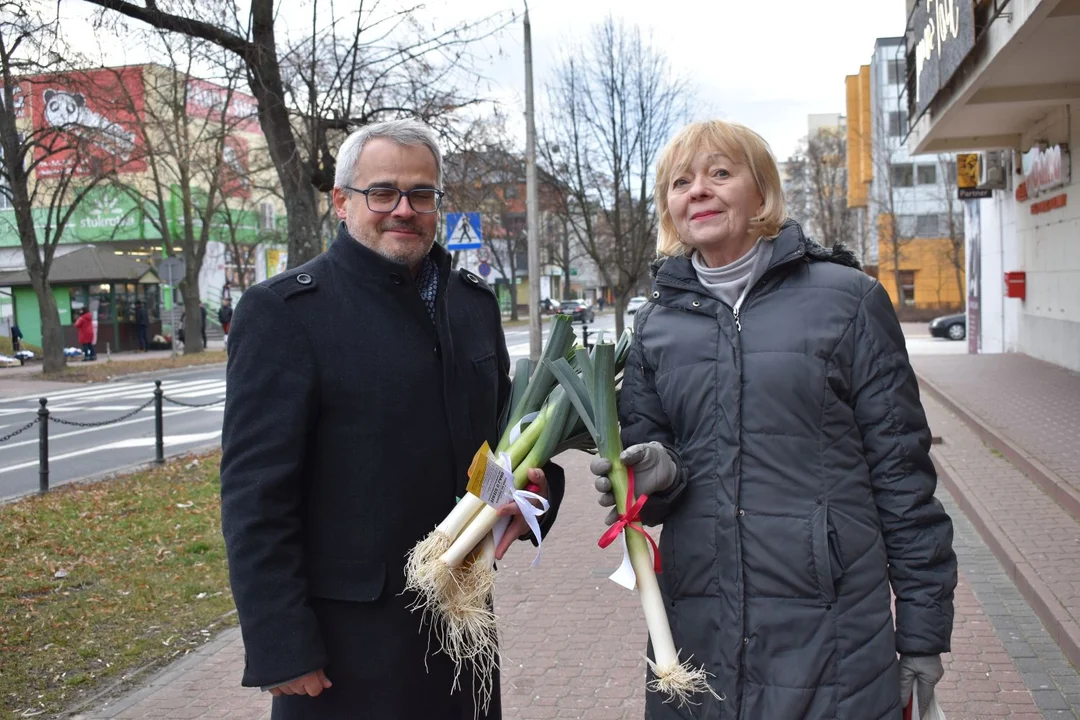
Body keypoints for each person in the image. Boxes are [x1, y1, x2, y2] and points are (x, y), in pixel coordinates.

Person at [589, 120, 957, 720]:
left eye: (720, 173)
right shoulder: (656, 325)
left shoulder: (849, 300)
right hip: (698, 630)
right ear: (669, 208)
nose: (698, 191)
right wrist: (655, 473)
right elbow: (650, 490)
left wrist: (922, 629)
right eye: (681, 182)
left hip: (832, 635)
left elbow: (903, 477)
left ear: (761, 193)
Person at [219, 118, 565, 720]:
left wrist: (531, 495)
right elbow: (255, 496)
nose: (403, 209)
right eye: (383, 192)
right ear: (342, 202)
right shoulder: (286, 313)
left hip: (461, 629)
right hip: (347, 647)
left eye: (422, 194)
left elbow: (497, 446)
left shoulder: (471, 305)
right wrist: (282, 646)